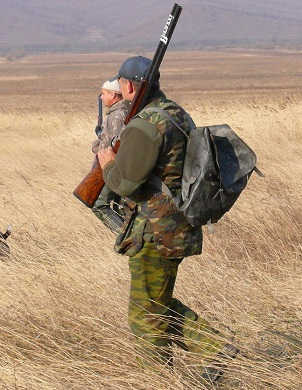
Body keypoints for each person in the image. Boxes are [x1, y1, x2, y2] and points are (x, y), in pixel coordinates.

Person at [97, 56, 238, 381]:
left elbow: (125, 182)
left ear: (129, 86)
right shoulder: (176, 113)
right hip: (177, 226)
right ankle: (217, 347)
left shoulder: (146, 123)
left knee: (145, 316)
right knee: (156, 303)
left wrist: (107, 163)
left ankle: (160, 381)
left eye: (120, 84)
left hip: (154, 231)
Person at [91, 78, 130, 233]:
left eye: (104, 93)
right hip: (119, 168)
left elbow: (112, 147)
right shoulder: (119, 114)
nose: (101, 97)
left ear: (114, 95)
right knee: (121, 206)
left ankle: (126, 238)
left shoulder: (116, 116)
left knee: (99, 205)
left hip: (114, 168)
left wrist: (96, 146)